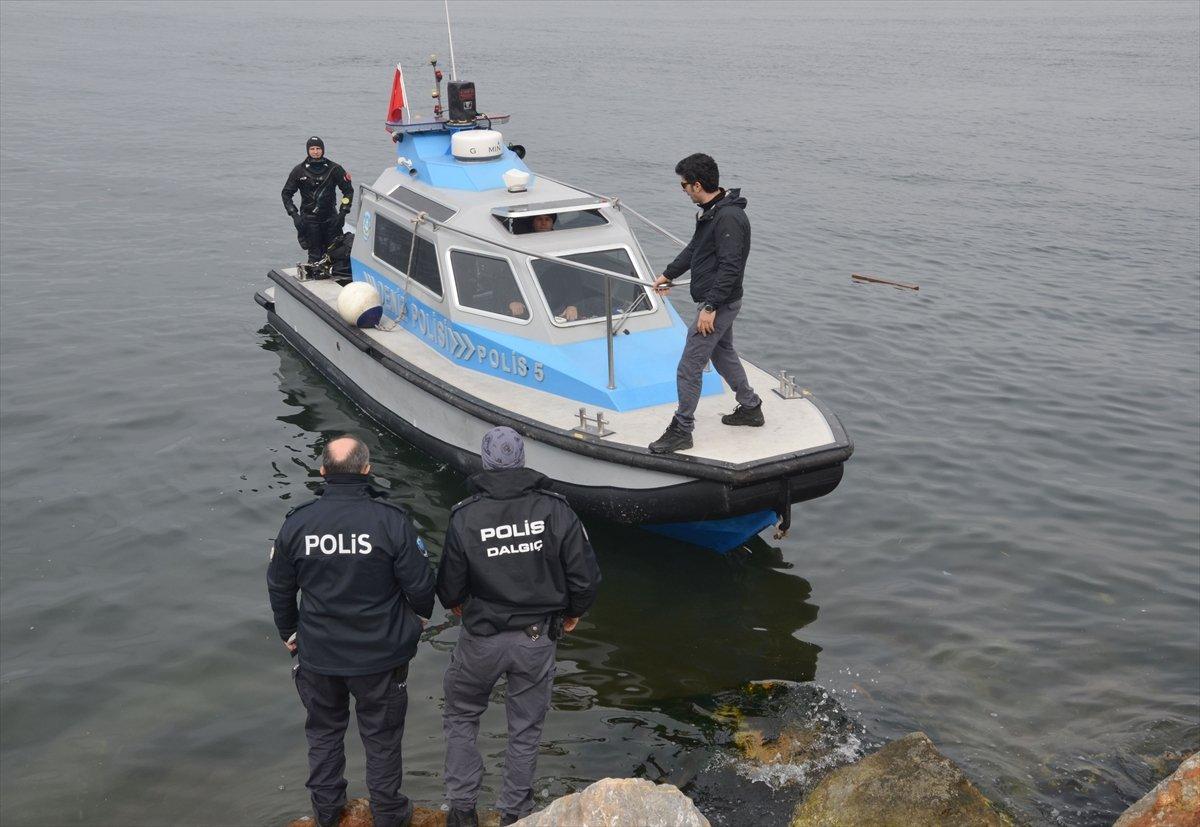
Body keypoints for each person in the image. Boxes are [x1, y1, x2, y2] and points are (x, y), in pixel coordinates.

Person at [436, 427, 601, 827]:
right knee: (524, 729)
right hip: (535, 637)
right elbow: (586, 577)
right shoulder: (556, 510)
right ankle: (515, 814)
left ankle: (461, 811)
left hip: (481, 639)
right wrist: (573, 613)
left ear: (486, 461)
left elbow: (449, 588)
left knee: (461, 716)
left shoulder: (465, 515)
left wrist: (458, 605)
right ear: (522, 459)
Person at [267, 435, 435, 827]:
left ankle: (327, 812)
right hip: (381, 656)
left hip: (319, 655)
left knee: (324, 734)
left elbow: (279, 586)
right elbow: (421, 585)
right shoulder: (390, 520)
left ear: (323, 471)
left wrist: (289, 632)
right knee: (382, 740)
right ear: (366, 470)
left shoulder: (298, 522)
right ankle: (389, 813)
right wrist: (418, 622)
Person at [648, 153, 764, 454]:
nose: (684, 191)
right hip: (719, 301)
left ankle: (682, 429)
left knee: (689, 365)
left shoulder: (728, 218)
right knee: (722, 353)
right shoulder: (712, 211)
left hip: (720, 303)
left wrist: (710, 308)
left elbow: (730, 267)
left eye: (684, 186)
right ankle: (751, 407)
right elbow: (695, 249)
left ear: (697, 185)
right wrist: (668, 274)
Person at [282, 136, 354, 264]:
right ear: (308, 150)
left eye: (318, 148)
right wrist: (294, 215)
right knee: (315, 255)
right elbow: (286, 194)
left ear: (323, 150)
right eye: (312, 149)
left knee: (335, 252)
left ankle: (335, 277)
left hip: (331, 218)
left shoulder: (334, 169)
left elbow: (348, 191)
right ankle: (315, 278)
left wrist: (343, 212)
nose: (315, 152)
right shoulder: (299, 171)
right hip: (309, 220)